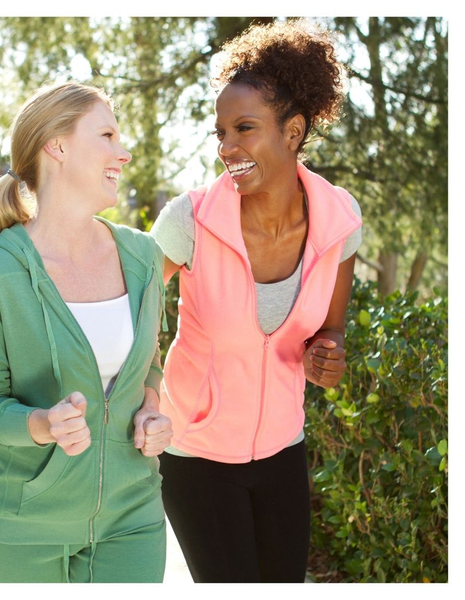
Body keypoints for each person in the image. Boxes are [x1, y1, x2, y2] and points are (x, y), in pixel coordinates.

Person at [150, 20, 362, 583]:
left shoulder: (340, 222)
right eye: (220, 132)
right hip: (196, 453)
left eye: (244, 128)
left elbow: (332, 332)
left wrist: (330, 352)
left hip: (282, 449)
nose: (227, 148)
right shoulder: (190, 221)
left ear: (293, 131)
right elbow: (128, 306)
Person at [0, 81, 173, 583]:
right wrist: (43, 425)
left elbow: (146, 366)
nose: (124, 151)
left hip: (131, 519)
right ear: (58, 146)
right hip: (20, 530)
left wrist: (153, 410)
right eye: (108, 134)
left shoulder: (143, 258)